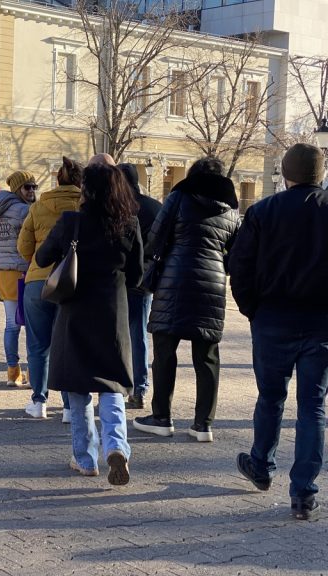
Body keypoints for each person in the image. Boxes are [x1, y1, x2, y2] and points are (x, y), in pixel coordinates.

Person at [230, 143, 328, 521]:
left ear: (286, 174)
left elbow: (240, 266)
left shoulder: (263, 211)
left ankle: (261, 464)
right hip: (321, 321)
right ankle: (303, 493)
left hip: (272, 317)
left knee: (270, 396)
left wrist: (252, 309)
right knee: (312, 407)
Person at [35, 162, 143, 484]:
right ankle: (117, 446)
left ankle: (85, 458)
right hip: (113, 313)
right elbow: (137, 274)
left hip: (76, 312)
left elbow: (42, 258)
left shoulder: (73, 222)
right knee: (112, 385)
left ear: (87, 190)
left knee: (79, 387)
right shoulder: (129, 223)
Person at [134, 157, 240, 443]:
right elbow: (237, 252)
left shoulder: (180, 196)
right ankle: (203, 424)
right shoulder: (231, 209)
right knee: (207, 356)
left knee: (165, 350)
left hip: (175, 279)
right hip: (212, 284)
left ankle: (161, 417)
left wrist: (151, 261)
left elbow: (156, 236)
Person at [17, 156, 83, 420]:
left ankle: (39, 401)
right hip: (71, 282)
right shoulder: (84, 206)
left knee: (37, 344)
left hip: (37, 280)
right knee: (67, 345)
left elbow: (23, 246)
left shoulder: (39, 205)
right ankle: (68, 406)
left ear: (58, 179)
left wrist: (36, 261)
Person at [117, 163, 163, 410]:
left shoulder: (120, 208)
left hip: (120, 277)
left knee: (118, 333)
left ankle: (120, 385)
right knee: (138, 336)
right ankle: (139, 388)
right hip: (145, 279)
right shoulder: (154, 206)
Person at [0, 170, 35, 388]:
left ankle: (12, 372)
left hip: (5, 272)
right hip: (23, 271)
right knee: (32, 325)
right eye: (28, 187)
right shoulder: (25, 210)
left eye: (34, 186)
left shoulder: (1, 211)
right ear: (18, 189)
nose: (32, 191)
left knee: (11, 325)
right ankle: (32, 372)